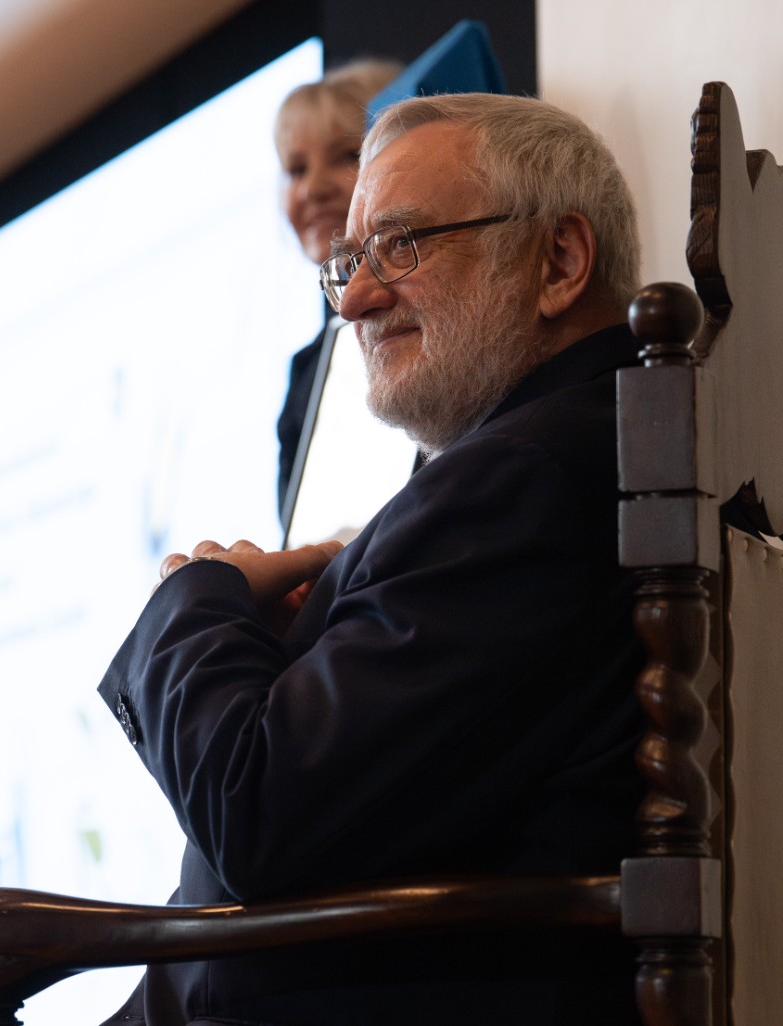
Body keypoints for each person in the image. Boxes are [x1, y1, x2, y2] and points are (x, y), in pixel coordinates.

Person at [99, 93, 645, 1025]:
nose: (352, 299)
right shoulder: (549, 456)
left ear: (558, 261)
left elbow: (258, 812)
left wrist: (196, 599)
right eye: (350, 263)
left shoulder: (521, 480)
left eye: (401, 245)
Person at [272, 59, 401, 522]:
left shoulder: (439, 321)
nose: (312, 189)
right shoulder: (306, 370)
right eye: (296, 169)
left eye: (347, 155)